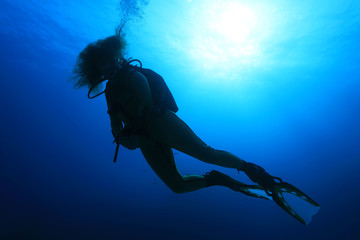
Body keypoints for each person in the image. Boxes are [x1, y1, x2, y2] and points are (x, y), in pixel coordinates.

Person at [72, 28, 320, 225]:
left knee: (206, 153)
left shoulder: (133, 75)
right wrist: (121, 137)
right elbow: (114, 123)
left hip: (160, 123)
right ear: (96, 70)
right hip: (146, 139)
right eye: (101, 65)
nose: (107, 67)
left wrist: (131, 131)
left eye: (108, 60)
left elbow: (146, 103)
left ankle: (254, 171)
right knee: (177, 187)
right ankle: (217, 180)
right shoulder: (110, 92)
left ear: (117, 57)